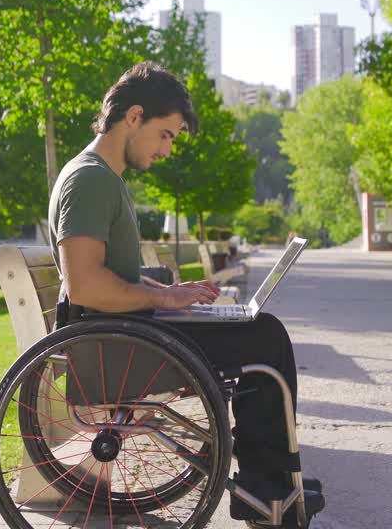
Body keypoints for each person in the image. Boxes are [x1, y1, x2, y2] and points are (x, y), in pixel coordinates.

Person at [48, 61, 323, 527]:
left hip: (125, 336)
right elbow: (87, 284)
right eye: (166, 135)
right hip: (114, 351)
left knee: (255, 329)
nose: (168, 150)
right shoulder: (89, 179)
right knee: (263, 337)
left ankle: (268, 481)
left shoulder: (103, 177)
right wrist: (164, 300)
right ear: (134, 116)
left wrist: (169, 291)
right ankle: (266, 486)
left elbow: (115, 274)